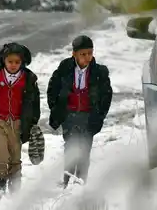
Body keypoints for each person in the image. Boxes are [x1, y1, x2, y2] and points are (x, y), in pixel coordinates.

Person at [47, 35, 113, 188]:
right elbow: (52, 89)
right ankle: (66, 181)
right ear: (74, 54)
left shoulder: (99, 72)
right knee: (70, 148)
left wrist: (99, 116)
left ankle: (80, 183)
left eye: (90, 53)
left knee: (84, 150)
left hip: (88, 117)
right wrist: (56, 109)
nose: (87, 57)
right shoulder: (64, 68)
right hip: (69, 116)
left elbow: (106, 96)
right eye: (83, 54)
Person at [0, 42, 40, 196]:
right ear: (3, 60)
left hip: (18, 123)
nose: (13, 65)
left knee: (15, 155)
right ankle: (0, 184)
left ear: (22, 62)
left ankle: (15, 185)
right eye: (10, 61)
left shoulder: (28, 79)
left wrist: (32, 122)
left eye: (17, 62)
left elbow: (34, 103)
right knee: (0, 154)